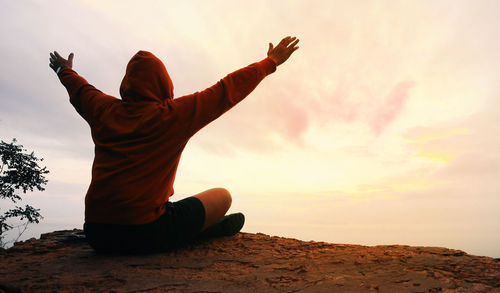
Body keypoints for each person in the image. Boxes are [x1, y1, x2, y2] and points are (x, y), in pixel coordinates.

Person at [49, 36, 300, 253]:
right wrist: (271, 62)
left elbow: (80, 89)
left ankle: (191, 229)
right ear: (164, 83)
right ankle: (198, 233)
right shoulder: (173, 115)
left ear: (127, 85)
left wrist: (64, 70)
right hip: (145, 234)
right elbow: (227, 90)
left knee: (174, 209)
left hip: (97, 234)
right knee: (223, 197)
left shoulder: (103, 110)